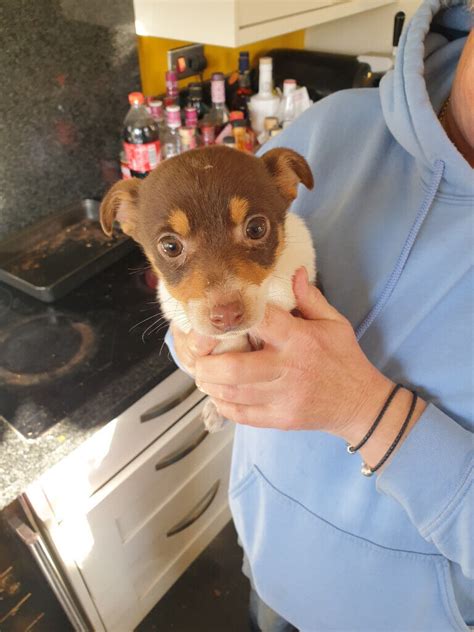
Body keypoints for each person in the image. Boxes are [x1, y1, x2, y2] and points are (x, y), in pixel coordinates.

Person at [166, 0, 473, 628]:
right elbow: (215, 320)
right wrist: (198, 346)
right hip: (267, 561)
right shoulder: (327, 131)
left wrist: (366, 410)